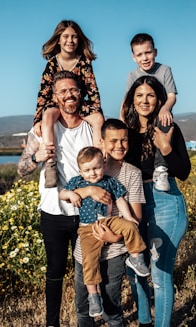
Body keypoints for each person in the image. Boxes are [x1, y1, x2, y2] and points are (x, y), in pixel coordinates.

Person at [17, 70, 95, 327]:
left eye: (73, 89)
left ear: (80, 92)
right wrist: (37, 157)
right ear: (54, 96)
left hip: (86, 212)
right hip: (53, 213)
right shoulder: (40, 131)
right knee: (54, 273)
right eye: (62, 91)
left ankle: (87, 321)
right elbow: (21, 169)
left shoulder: (91, 129)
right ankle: (52, 323)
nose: (69, 95)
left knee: (88, 272)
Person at [121, 75, 191, 327]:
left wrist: (166, 147)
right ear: (131, 100)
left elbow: (183, 171)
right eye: (139, 95)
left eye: (150, 95)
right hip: (134, 202)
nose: (144, 100)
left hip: (166, 202)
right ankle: (144, 321)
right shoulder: (125, 133)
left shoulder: (169, 127)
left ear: (159, 99)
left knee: (160, 274)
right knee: (135, 268)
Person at [72, 119, 151, 327]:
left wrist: (114, 237)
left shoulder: (132, 173)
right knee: (83, 308)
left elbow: (136, 217)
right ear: (102, 141)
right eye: (113, 140)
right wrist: (89, 190)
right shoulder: (90, 167)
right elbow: (69, 193)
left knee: (111, 307)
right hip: (85, 248)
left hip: (115, 249)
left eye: (124, 140)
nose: (119, 145)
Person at [33, 20, 104, 188]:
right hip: (56, 103)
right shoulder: (51, 64)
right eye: (65, 37)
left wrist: (96, 112)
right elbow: (43, 93)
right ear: (58, 39)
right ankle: (51, 165)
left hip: (80, 103)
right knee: (48, 115)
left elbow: (93, 90)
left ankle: (99, 159)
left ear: (79, 40)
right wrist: (37, 120)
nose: (70, 41)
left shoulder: (84, 62)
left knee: (98, 119)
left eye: (74, 37)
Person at [120, 33, 178, 192]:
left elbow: (172, 96)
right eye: (139, 54)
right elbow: (126, 101)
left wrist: (165, 108)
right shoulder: (132, 75)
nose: (144, 58)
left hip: (160, 116)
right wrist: (121, 121)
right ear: (133, 57)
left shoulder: (165, 70)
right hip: (138, 118)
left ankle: (161, 169)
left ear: (155, 52)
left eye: (148, 52)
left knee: (164, 121)